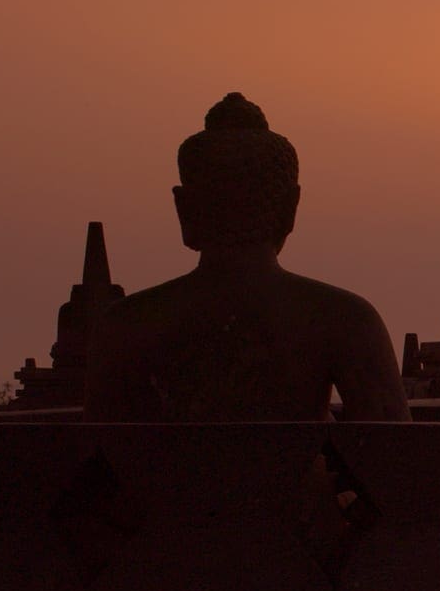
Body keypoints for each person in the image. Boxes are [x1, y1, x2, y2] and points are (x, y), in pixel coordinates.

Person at [85, 93, 410, 422]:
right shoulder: (345, 320)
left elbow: (94, 460)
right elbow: (395, 458)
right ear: (290, 208)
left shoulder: (126, 326)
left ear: (184, 209)